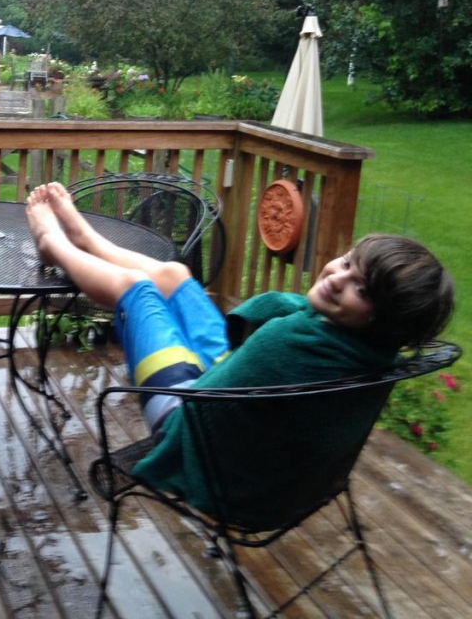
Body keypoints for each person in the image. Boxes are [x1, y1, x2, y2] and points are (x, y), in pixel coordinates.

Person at [26, 181, 454, 522]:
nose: (338, 277)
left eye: (361, 287)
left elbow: (213, 386)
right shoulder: (364, 352)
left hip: (190, 421)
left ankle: (55, 244)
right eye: (346, 262)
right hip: (237, 405)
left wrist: (178, 339)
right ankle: (84, 236)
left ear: (385, 320)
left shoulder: (291, 342)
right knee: (175, 274)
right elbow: (240, 369)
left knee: (136, 291)